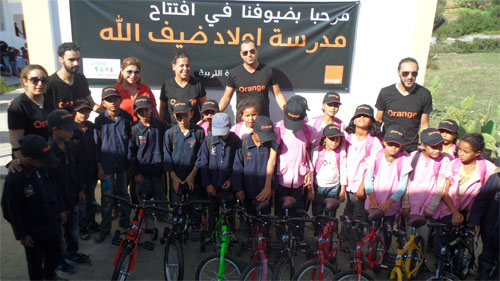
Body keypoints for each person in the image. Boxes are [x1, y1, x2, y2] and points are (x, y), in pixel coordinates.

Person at [2, 135, 67, 281]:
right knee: (35, 263)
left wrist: (61, 209)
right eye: (42, 160)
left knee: (54, 255)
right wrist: (23, 234)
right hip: (34, 233)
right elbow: (11, 210)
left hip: (52, 224)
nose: (46, 162)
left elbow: (54, 189)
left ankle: (51, 276)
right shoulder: (16, 178)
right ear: (30, 160)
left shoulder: (44, 168)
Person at [47, 109, 90, 274]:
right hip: (58, 204)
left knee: (73, 229)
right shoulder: (48, 153)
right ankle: (59, 260)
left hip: (73, 197)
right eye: (68, 129)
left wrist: (80, 189)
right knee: (59, 236)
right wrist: (58, 207)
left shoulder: (72, 146)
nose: (72, 131)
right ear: (54, 130)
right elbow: (49, 184)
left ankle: (73, 253)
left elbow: (77, 169)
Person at [94, 86, 133, 243]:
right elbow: (96, 146)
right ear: (103, 103)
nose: (113, 102)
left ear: (120, 100)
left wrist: (131, 164)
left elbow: (131, 142)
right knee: (107, 197)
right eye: (109, 100)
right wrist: (99, 166)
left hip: (123, 165)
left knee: (124, 193)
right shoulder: (100, 121)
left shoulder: (127, 118)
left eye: (115, 99)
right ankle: (105, 228)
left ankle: (126, 222)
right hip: (107, 166)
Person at [433, 133, 496, 224]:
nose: (460, 153)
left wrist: (474, 211)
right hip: (448, 211)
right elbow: (445, 192)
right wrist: (455, 212)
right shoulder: (453, 164)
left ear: (477, 153)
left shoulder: (487, 168)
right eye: (459, 149)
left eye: (465, 151)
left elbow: (485, 193)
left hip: (469, 214)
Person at [364, 126, 411, 249]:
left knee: (387, 229)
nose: (393, 147)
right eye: (390, 144)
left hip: (391, 205)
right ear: (384, 142)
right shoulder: (375, 157)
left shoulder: (404, 161)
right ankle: (372, 252)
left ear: (401, 145)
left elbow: (402, 187)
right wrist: (372, 198)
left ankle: (384, 252)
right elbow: (368, 180)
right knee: (373, 228)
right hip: (375, 201)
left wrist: (389, 202)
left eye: (397, 145)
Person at [375, 57, 432, 152]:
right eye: (405, 73)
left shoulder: (424, 94)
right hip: (389, 147)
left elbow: (424, 124)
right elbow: (378, 120)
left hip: (410, 149)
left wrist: (423, 146)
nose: (409, 77)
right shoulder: (385, 92)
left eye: (414, 73)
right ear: (398, 72)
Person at [218, 39, 287, 118]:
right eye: (245, 52)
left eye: (252, 51)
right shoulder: (234, 73)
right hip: (243, 121)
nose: (249, 55)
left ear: (257, 51)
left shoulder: (268, 71)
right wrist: (215, 113)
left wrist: (287, 111)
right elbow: (226, 98)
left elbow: (278, 95)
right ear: (241, 54)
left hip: (263, 120)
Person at [196, 113, 241, 232]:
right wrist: (208, 184)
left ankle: (230, 235)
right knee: (213, 212)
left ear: (230, 126)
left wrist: (231, 180)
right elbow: (203, 164)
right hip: (212, 186)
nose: (221, 135)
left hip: (228, 187)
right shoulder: (209, 140)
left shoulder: (236, 141)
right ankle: (212, 234)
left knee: (230, 212)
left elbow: (237, 164)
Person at [273, 97, 313, 224]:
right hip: (282, 178)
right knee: (280, 209)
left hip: (299, 179)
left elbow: (309, 150)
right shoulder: (278, 128)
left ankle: (297, 236)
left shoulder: (308, 130)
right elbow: (273, 156)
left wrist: (309, 171)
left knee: (298, 210)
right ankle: (280, 235)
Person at [342, 104, 383, 222]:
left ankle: (356, 239)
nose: (361, 118)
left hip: (361, 185)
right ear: (353, 120)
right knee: (347, 213)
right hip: (348, 183)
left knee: (358, 215)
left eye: (366, 116)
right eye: (359, 115)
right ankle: (345, 238)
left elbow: (372, 167)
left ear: (371, 122)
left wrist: (362, 186)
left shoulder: (374, 142)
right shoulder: (347, 137)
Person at [232, 116, 278, 215]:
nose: (265, 140)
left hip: (265, 192)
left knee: (264, 220)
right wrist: (238, 189)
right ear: (254, 131)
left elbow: (275, 167)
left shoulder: (270, 146)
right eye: (263, 136)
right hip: (247, 193)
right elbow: (237, 168)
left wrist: (272, 187)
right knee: (248, 218)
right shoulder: (243, 145)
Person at [8, 65, 55, 160]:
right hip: (30, 157)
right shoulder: (18, 105)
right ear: (25, 81)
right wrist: (22, 160)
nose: (40, 83)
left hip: (47, 154)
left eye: (44, 80)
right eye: (35, 80)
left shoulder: (48, 99)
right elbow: (15, 140)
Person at [403, 128, 452, 218]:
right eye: (434, 147)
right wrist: (405, 203)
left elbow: (440, 186)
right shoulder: (413, 156)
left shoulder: (444, 160)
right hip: (410, 205)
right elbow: (406, 181)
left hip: (429, 206)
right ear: (423, 145)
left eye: (440, 147)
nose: (437, 151)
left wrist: (431, 208)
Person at [128, 96, 166, 204]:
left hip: (158, 170)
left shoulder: (160, 126)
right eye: (140, 111)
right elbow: (131, 153)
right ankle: (145, 217)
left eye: (146, 110)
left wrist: (164, 168)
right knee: (144, 198)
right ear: (136, 112)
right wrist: (136, 172)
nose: (144, 113)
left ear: (151, 109)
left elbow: (166, 148)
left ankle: (162, 216)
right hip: (142, 172)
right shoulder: (134, 129)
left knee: (160, 196)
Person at [311, 123, 346, 234]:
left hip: (334, 187)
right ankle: (318, 234)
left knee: (331, 213)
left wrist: (343, 190)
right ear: (324, 138)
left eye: (338, 139)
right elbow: (311, 171)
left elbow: (344, 171)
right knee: (317, 212)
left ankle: (328, 235)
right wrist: (310, 190)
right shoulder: (317, 151)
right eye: (332, 139)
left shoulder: (341, 153)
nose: (335, 142)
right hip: (318, 187)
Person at [71, 99, 99, 240]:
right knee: (81, 201)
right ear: (74, 112)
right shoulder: (70, 130)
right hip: (77, 173)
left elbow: (96, 149)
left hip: (91, 170)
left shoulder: (91, 127)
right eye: (81, 111)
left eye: (87, 111)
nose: (84, 114)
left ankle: (91, 222)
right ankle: (82, 227)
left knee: (91, 199)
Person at [45, 42, 101, 112]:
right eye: (71, 60)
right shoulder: (50, 84)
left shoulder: (80, 79)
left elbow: (92, 105)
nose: (76, 63)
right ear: (60, 59)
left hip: (81, 122)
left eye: (78, 59)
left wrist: (111, 115)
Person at [469, 160, 500, 281]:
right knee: (486, 259)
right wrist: (475, 221)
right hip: (490, 232)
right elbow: (480, 202)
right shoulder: (494, 179)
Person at [159, 51, 207, 128]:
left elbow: (204, 108)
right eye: (182, 66)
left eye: (187, 65)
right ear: (174, 67)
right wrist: (161, 128)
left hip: (193, 131)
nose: (185, 68)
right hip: (172, 130)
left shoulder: (197, 84)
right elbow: (162, 110)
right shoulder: (167, 85)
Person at [114, 57, 159, 122]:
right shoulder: (115, 90)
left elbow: (154, 112)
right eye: (129, 72)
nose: (133, 75)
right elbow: (106, 112)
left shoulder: (146, 89)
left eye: (136, 72)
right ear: (122, 71)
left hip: (143, 130)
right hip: (123, 130)